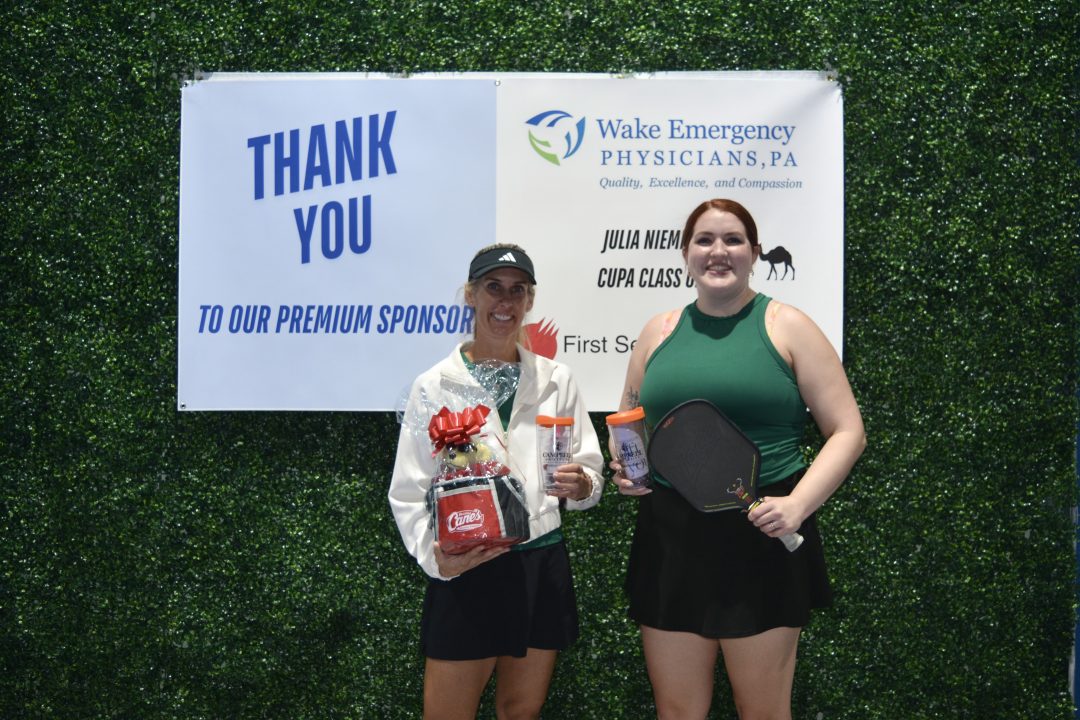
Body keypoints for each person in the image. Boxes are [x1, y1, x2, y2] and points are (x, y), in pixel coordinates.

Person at [611, 199, 866, 720]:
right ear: (685, 254)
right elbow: (628, 420)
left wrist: (796, 505)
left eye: (732, 240)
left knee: (763, 711)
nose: (718, 252)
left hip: (764, 536)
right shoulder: (656, 331)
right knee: (677, 711)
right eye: (704, 240)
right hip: (670, 538)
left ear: (754, 252)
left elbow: (848, 431)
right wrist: (625, 467)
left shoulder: (788, 325)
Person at [389, 243, 604, 720]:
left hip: (540, 562)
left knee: (520, 711)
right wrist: (436, 558)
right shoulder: (433, 385)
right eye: (493, 288)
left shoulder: (556, 379)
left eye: (517, 291)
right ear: (470, 295)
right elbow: (406, 491)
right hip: (470, 564)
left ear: (529, 301)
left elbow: (590, 466)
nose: (504, 302)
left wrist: (584, 486)